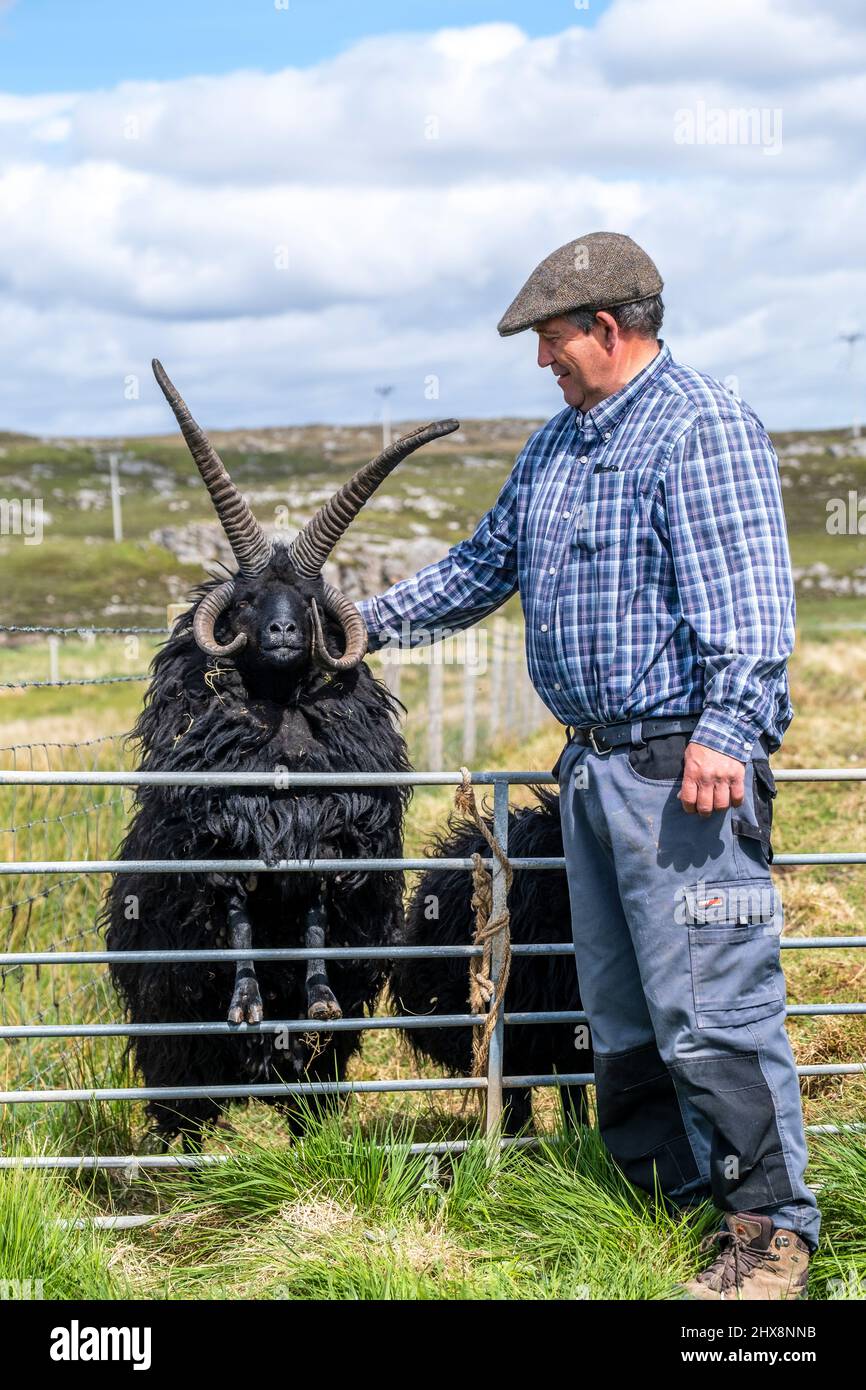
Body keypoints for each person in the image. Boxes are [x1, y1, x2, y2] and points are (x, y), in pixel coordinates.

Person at [356, 231, 817, 1300]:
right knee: (616, 1011)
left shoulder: (700, 427)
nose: (540, 362)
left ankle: (767, 1237)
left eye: (550, 341)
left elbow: (752, 604)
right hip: (591, 774)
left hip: (682, 768)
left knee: (711, 1006)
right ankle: (657, 1209)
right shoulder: (556, 448)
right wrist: (360, 624)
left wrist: (728, 731)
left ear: (607, 330)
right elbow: (481, 566)